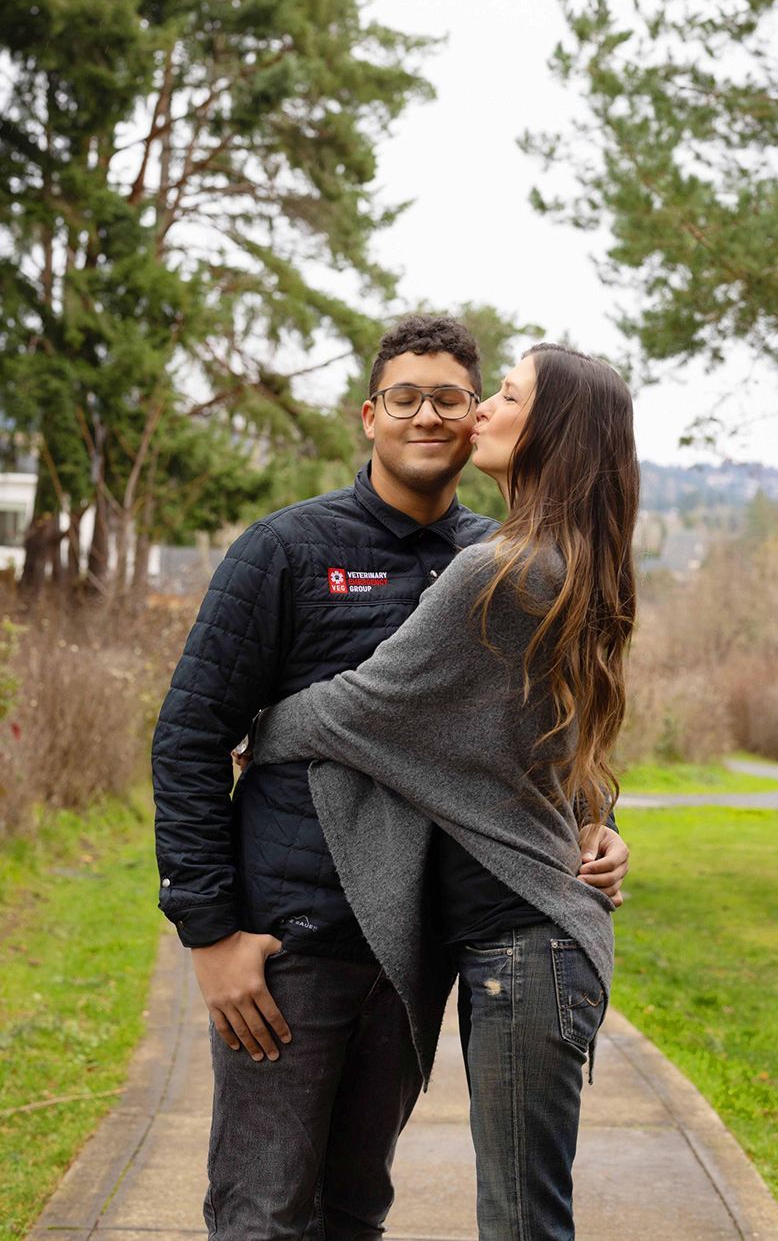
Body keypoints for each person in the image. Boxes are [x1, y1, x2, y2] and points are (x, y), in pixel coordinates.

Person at [151, 316, 629, 1241]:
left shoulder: (501, 562)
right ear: (369, 416)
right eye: (403, 397)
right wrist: (209, 931)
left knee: (354, 1211)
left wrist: (598, 821)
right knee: (261, 1211)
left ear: (472, 420)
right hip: (292, 943)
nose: (428, 415)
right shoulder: (287, 549)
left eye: (453, 398)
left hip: (416, 951)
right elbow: (189, 736)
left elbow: (547, 735)